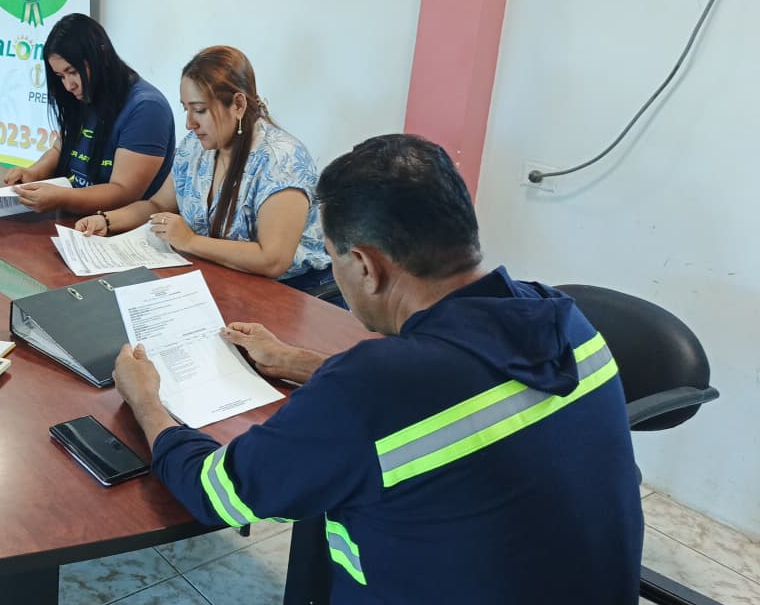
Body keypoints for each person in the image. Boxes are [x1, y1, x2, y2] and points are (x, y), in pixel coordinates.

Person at [113, 134, 643, 603]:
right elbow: (459, 391)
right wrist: (299, 361)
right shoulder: (567, 322)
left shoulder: (372, 387)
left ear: (366, 266)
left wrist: (147, 402)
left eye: (332, 256)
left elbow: (218, 495)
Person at [75, 46, 332, 292]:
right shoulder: (195, 147)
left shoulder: (281, 160)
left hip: (288, 292)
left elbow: (273, 260)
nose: (190, 124)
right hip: (219, 278)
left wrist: (190, 241)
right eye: (186, 109)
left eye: (199, 110)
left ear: (238, 105)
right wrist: (106, 220)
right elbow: (157, 205)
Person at [2, 13, 175, 214]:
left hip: (118, 226)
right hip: (76, 218)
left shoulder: (147, 108)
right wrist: (34, 173)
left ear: (101, 55)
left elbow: (124, 193)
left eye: (73, 72)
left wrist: (61, 197)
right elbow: (61, 147)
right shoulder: (83, 94)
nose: (68, 85)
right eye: (60, 76)